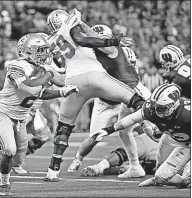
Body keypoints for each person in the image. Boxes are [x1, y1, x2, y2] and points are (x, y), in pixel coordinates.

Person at [0, 34, 79, 196]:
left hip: (20, 118)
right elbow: (28, 87)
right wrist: (48, 75)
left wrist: (66, 86)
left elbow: (52, 86)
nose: (44, 54)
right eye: (40, 50)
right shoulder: (16, 65)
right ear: (28, 51)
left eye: (45, 50)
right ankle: (4, 184)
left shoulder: (44, 69)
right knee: (9, 149)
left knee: (15, 157)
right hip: (3, 113)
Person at [44, 10, 147, 182]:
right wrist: (115, 41)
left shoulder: (53, 40)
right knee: (136, 99)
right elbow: (82, 40)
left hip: (73, 82)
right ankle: (158, 128)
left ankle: (52, 170)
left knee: (63, 127)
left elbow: (60, 65)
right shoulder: (71, 25)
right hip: (94, 75)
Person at [90, 84, 190, 188]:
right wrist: (108, 130)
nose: (155, 110)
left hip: (188, 144)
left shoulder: (187, 115)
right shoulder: (151, 108)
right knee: (160, 177)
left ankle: (187, 179)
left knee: (182, 175)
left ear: (173, 106)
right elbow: (132, 119)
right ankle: (162, 178)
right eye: (154, 105)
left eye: (160, 108)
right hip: (170, 137)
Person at [83, 132, 159, 177]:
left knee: (153, 166)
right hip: (152, 138)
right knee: (124, 152)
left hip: (167, 146)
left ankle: (124, 168)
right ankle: (99, 166)